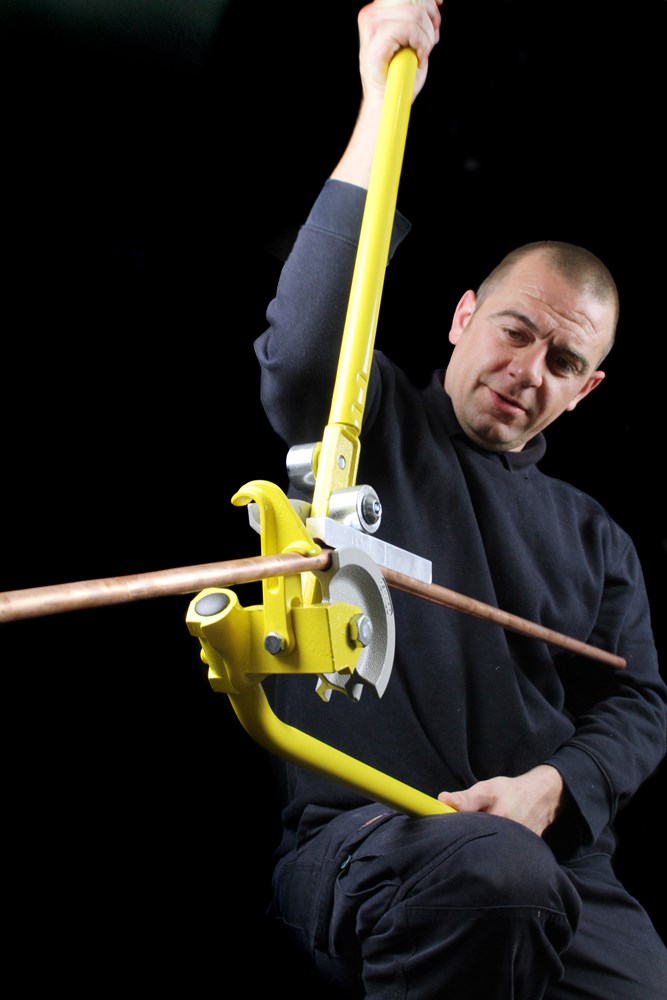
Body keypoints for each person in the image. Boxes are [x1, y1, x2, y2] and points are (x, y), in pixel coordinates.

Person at [253, 1, 667, 996]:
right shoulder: (365, 424)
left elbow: (635, 702)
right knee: (492, 876)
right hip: (364, 834)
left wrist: (552, 787)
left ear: (586, 390)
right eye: (515, 331)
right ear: (461, 316)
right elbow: (305, 342)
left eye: (562, 361)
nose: (527, 370)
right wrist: (379, 94)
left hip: (551, 864)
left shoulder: (596, 538)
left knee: (636, 973)